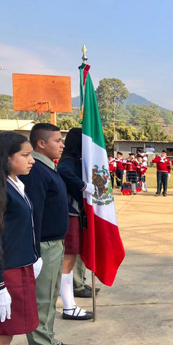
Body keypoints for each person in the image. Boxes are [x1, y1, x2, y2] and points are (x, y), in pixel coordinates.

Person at [20, 123, 76, 345]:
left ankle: (48, 338)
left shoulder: (47, 168)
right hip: (43, 244)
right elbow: (34, 215)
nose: (62, 145)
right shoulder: (35, 172)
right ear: (41, 144)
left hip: (54, 243)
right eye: (57, 140)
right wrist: (34, 251)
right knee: (41, 298)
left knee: (51, 295)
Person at [0, 132, 40, 345]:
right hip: (6, 272)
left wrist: (33, 256)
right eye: (25, 155)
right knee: (1, 338)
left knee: (7, 338)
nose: (31, 160)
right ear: (7, 158)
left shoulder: (14, 184)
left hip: (20, 266)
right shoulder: (0, 188)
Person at [56, 128, 94, 320]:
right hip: (70, 213)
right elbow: (64, 172)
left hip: (75, 213)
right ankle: (69, 306)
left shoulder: (76, 160)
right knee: (68, 260)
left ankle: (71, 301)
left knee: (71, 260)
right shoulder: (69, 161)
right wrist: (83, 186)